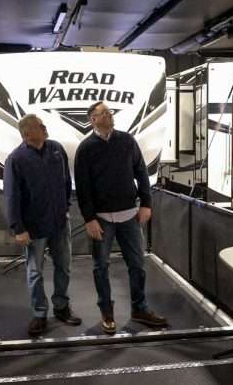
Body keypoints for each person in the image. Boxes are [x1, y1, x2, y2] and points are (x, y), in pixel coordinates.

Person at [74, 101, 168, 335]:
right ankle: (107, 313)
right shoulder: (85, 148)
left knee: (137, 265)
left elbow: (141, 173)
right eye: (104, 113)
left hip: (129, 217)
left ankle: (140, 309)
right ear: (93, 119)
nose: (110, 115)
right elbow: (83, 188)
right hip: (101, 219)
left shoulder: (127, 141)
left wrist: (146, 203)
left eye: (110, 112)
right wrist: (89, 219)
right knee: (100, 267)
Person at [4, 114, 82, 336]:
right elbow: (12, 196)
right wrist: (18, 228)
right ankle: (39, 314)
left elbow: (67, 181)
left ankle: (61, 307)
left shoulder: (56, 149)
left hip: (58, 222)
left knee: (64, 266)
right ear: (28, 133)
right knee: (35, 272)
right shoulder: (16, 159)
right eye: (40, 126)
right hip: (34, 227)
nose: (45, 128)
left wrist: (65, 206)